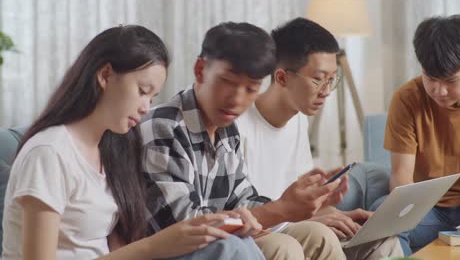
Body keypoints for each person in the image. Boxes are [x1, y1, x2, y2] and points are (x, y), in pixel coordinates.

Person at [2, 25, 264, 260]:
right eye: (142, 91)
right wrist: (154, 246)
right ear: (105, 75)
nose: (145, 108)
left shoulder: (111, 151)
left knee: (238, 246)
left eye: (152, 97)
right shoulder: (49, 153)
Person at [141, 21, 355, 260]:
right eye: (228, 82)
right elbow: (183, 227)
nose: (237, 99)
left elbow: (242, 198)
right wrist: (281, 209)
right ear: (201, 70)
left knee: (319, 236)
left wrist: (297, 202)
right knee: (284, 247)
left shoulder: (226, 128)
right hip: (177, 251)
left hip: (222, 241)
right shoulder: (165, 126)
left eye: (251, 88)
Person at [236, 17, 403, 259]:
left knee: (384, 241)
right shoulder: (238, 127)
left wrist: (331, 212)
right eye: (317, 79)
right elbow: (246, 212)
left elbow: (300, 198)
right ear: (282, 77)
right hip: (266, 233)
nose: (326, 91)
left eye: (331, 79)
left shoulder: (298, 120)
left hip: (295, 226)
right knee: (315, 237)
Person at [374, 14, 460, 256]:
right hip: (429, 211)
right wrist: (400, 215)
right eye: (430, 78)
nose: (439, 91)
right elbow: (401, 176)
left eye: (450, 81)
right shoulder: (407, 99)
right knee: (381, 215)